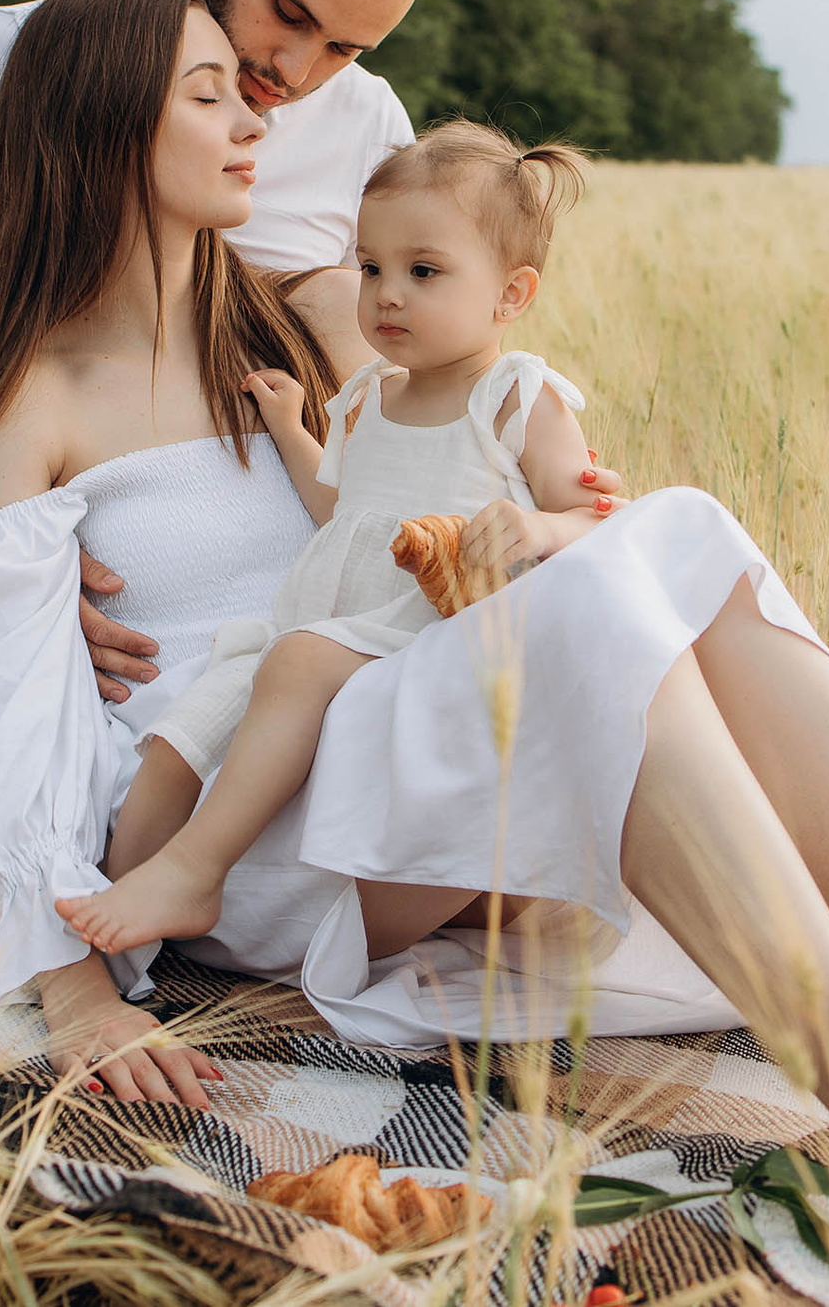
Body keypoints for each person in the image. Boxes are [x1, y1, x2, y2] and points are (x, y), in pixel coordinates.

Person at [0, 0, 829, 1307]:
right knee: (583, 600)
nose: (255, 120)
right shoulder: (36, 403)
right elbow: (4, 723)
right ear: (105, 125)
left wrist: (549, 523)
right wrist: (77, 988)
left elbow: (437, 435)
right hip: (238, 810)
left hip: (389, 712)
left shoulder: (289, 331)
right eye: (208, 96)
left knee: (678, 531)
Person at [0, 0, 624, 708]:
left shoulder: (368, 122)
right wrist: (12, 568)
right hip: (108, 522)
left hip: (326, 550)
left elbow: (440, 340)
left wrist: (535, 468)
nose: (294, 72)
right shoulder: (24, 57)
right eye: (288, 11)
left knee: (343, 304)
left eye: (344, 48)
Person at [57, 121, 611, 957]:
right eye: (371, 266)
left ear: (511, 295)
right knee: (185, 729)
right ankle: (125, 903)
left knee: (297, 662)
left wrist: (539, 523)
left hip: (436, 635)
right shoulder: (368, 397)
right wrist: (290, 428)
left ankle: (196, 874)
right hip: (331, 624)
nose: (387, 294)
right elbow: (343, 511)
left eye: (424, 272)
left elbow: (599, 517)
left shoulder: (516, 398)